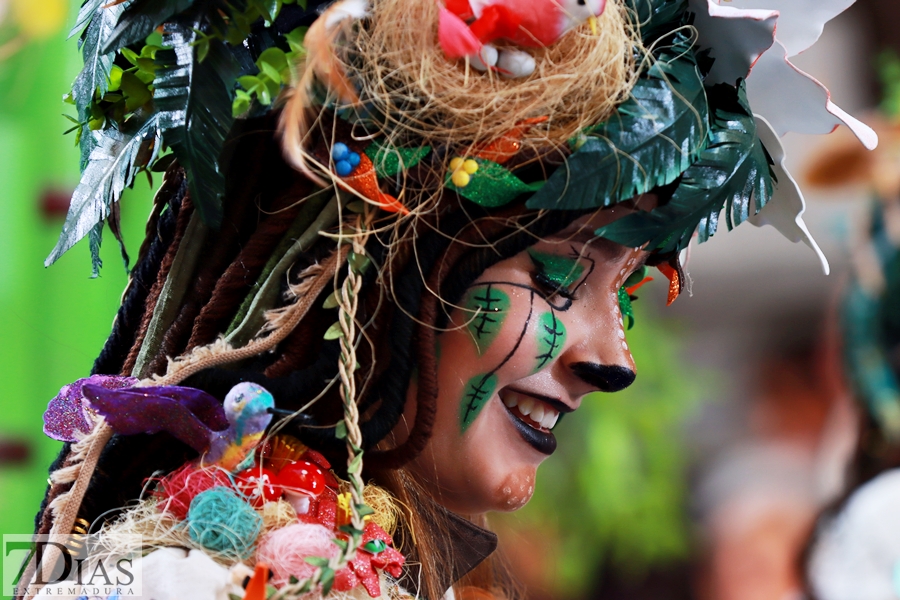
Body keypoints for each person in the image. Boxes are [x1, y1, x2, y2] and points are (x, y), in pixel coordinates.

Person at [24, 0, 875, 599]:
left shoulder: (370, 564)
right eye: (561, 276)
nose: (614, 361)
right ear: (376, 264)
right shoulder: (199, 581)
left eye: (627, 291)